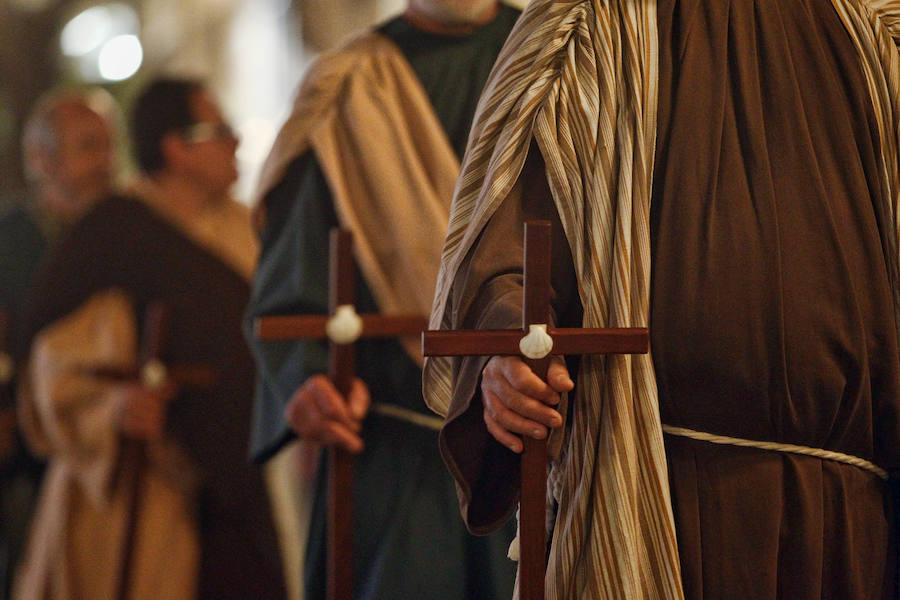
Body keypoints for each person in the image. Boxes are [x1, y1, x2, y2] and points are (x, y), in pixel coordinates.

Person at [423, 1, 900, 599]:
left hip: (851, 527)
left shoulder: (877, 37)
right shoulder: (591, 25)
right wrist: (505, 361)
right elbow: (512, 255)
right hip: (649, 498)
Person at [246, 1, 521, 598]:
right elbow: (292, 289)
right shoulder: (347, 87)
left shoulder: (563, 62)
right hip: (393, 459)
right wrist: (307, 380)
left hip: (544, 446)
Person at [13, 77, 285, 600]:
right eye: (220, 130)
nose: (236, 142)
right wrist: (111, 408)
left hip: (243, 480)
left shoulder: (246, 228)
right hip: (145, 491)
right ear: (176, 149)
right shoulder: (115, 232)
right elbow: (53, 364)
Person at [0, 88, 117, 600]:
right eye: (89, 146)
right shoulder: (11, 241)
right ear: (42, 159)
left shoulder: (123, 234)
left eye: (109, 146)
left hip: (108, 444)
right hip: (29, 453)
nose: (106, 163)